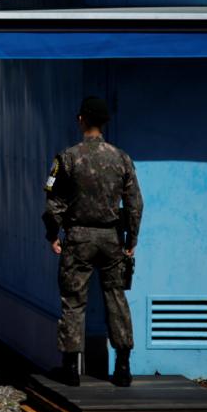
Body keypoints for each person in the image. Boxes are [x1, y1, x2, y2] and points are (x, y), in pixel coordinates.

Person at [43, 95, 143, 388]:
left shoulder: (67, 158)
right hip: (112, 237)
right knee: (116, 297)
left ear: (81, 120)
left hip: (78, 238)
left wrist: (53, 235)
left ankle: (71, 368)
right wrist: (131, 238)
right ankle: (122, 366)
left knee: (74, 301)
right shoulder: (121, 157)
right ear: (104, 122)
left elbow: (54, 203)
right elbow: (135, 203)